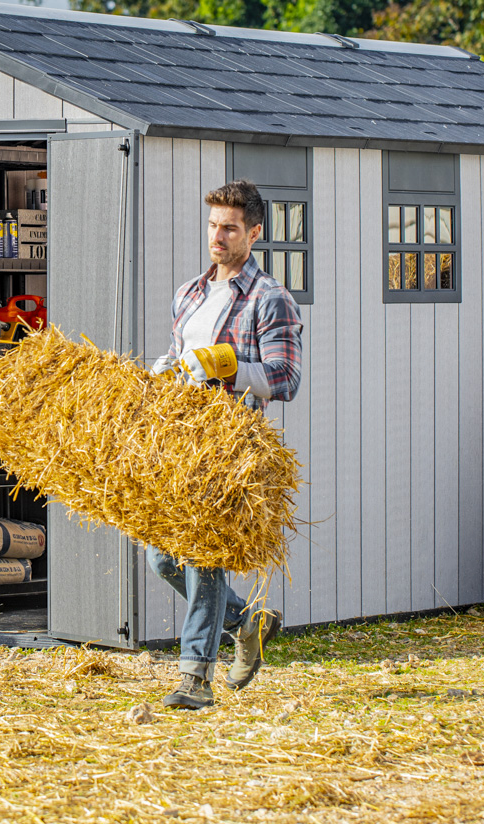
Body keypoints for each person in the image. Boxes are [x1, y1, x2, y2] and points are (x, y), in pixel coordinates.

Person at [148, 179, 303, 710]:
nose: (218, 236)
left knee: (205, 556)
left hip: (231, 445)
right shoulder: (190, 292)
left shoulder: (270, 297)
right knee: (162, 559)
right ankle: (247, 620)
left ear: (254, 233)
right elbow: (179, 354)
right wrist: (165, 371)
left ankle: (194, 679)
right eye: (213, 225)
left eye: (230, 228)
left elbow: (286, 378)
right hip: (180, 441)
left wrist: (228, 365)